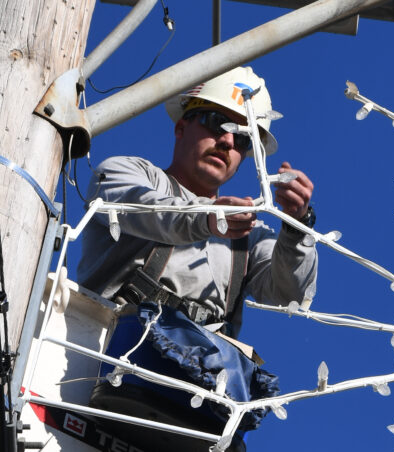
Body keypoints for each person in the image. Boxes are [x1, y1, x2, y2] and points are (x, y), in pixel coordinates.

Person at [77, 67, 317, 451]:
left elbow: (290, 295)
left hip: (191, 408)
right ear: (181, 126)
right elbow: (141, 208)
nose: (226, 141)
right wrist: (206, 218)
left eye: (242, 138)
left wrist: (298, 226)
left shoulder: (249, 234)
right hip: (93, 373)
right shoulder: (128, 173)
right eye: (216, 122)